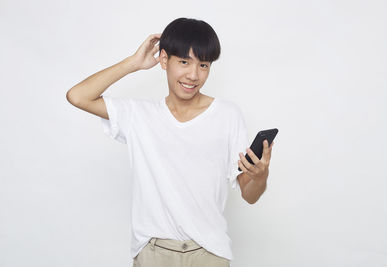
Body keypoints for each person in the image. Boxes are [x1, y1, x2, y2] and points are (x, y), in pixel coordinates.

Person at [66, 17, 273, 267]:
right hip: (154, 253)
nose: (194, 75)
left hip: (209, 253)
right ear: (164, 60)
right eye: (184, 62)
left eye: (204, 65)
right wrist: (132, 63)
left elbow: (249, 195)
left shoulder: (227, 115)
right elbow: (77, 96)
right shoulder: (139, 115)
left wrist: (260, 177)